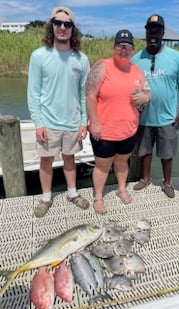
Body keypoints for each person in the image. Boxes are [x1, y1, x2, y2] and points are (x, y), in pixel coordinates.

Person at [27, 6, 90, 218]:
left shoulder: (81, 59)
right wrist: (39, 123)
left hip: (72, 122)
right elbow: (33, 93)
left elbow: (84, 93)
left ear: (73, 29)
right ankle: (46, 198)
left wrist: (84, 121)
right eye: (58, 23)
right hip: (48, 122)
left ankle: (72, 194)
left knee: (70, 159)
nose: (62, 27)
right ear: (51, 26)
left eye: (67, 24)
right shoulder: (38, 56)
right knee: (46, 161)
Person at [86, 29, 150, 214]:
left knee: (123, 162)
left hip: (129, 130)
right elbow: (90, 95)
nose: (124, 49)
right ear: (114, 47)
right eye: (120, 45)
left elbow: (147, 92)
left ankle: (122, 189)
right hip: (104, 131)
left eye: (128, 46)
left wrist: (146, 98)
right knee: (102, 165)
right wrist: (95, 122)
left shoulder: (137, 70)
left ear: (133, 49)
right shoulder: (102, 66)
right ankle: (98, 197)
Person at [132, 14, 179, 198]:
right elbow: (129, 87)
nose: (153, 34)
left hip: (168, 117)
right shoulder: (135, 59)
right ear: (146, 32)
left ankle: (167, 182)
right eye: (150, 30)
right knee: (144, 151)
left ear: (163, 33)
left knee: (167, 153)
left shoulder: (176, 57)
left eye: (157, 31)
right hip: (144, 117)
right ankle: (145, 179)